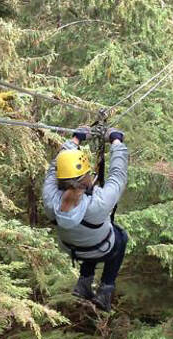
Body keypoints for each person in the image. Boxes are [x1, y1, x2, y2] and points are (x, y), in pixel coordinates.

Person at [42, 127, 129, 312]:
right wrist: (116, 142)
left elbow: (53, 168)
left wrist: (75, 140)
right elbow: (118, 176)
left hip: (72, 248)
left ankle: (84, 282)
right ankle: (105, 289)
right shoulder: (98, 203)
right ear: (87, 177)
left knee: (91, 236)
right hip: (101, 248)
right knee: (120, 237)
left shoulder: (50, 200)